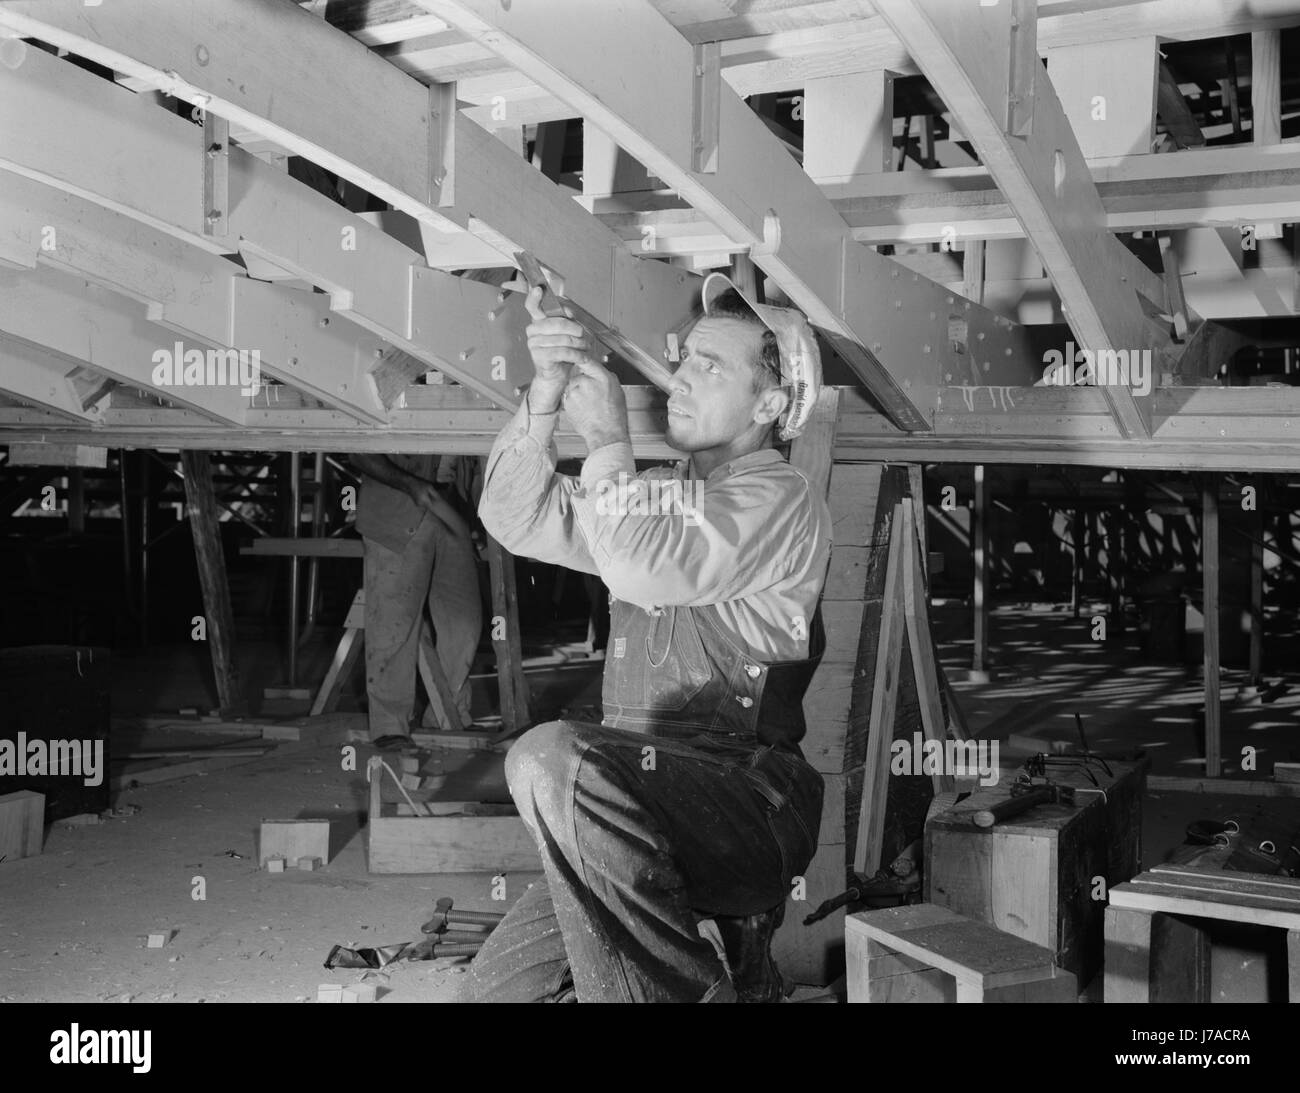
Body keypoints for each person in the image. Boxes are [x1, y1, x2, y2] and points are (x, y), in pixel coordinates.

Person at [465, 272, 831, 1002]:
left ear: (770, 403)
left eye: (710, 366)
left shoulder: (779, 500)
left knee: (549, 759)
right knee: (493, 994)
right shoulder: (655, 493)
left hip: (744, 808)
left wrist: (605, 436)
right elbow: (514, 515)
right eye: (685, 359)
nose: (681, 379)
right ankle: (720, 960)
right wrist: (546, 396)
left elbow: (638, 563)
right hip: (638, 812)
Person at [350, 453, 482, 748]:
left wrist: (476, 517)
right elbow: (359, 453)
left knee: (465, 622)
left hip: (450, 510)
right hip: (396, 512)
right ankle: (389, 726)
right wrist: (410, 484)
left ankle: (448, 715)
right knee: (393, 624)